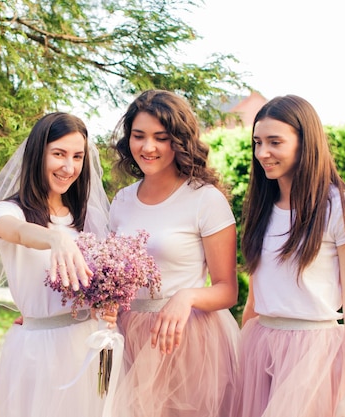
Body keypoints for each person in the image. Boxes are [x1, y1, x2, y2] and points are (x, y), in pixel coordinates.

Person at [0, 112, 112, 417]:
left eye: (77, 156)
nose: (69, 167)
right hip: (38, 351)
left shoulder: (89, 217)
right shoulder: (7, 211)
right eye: (58, 154)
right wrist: (55, 238)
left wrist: (108, 306)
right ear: (37, 154)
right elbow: (16, 232)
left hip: (88, 346)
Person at [238, 94, 345, 417]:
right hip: (260, 348)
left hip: (314, 355)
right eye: (257, 142)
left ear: (306, 142)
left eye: (275, 142)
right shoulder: (261, 207)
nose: (263, 153)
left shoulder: (341, 208)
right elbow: (255, 299)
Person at [109, 89, 240, 417]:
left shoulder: (205, 200)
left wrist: (186, 297)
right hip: (127, 337)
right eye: (138, 136)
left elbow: (227, 289)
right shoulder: (122, 200)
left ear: (179, 141)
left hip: (185, 339)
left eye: (160, 137)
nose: (147, 147)